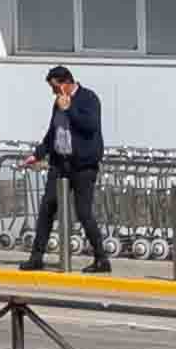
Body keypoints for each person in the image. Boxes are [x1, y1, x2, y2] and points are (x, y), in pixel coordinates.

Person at [29, 64, 113, 271]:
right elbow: (52, 132)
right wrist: (38, 153)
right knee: (47, 207)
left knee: (84, 212)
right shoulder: (58, 103)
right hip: (60, 163)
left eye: (56, 88)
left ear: (67, 84)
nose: (54, 93)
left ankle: (101, 258)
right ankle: (36, 257)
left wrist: (70, 109)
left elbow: (90, 126)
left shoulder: (88, 98)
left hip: (83, 165)